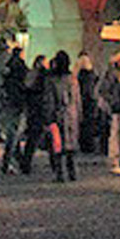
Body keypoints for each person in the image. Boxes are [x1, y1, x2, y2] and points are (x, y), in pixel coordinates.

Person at [43, 51, 82, 181]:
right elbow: (77, 99)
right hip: (71, 114)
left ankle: (59, 173)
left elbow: (49, 100)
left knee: (57, 145)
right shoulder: (73, 79)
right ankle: (72, 172)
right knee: (70, 145)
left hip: (57, 114)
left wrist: (48, 116)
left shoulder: (51, 80)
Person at [0, 45, 28, 174]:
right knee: (14, 133)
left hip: (8, 101)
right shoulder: (21, 68)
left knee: (11, 132)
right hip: (18, 103)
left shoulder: (8, 66)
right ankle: (10, 160)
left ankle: (15, 159)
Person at [76, 54, 103, 153]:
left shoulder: (79, 75)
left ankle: (84, 145)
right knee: (90, 125)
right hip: (91, 102)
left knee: (83, 125)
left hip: (83, 101)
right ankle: (89, 146)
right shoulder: (92, 75)